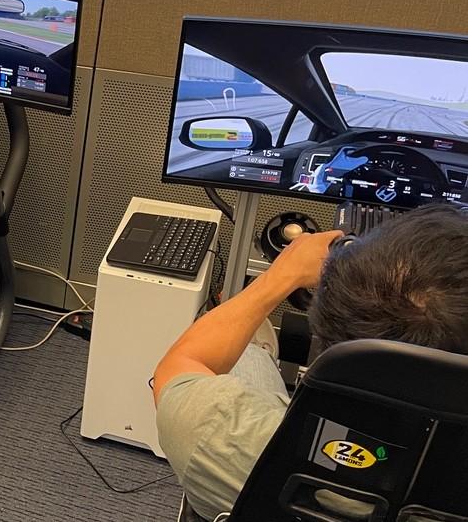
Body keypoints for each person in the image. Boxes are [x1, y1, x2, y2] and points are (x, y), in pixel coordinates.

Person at [153, 204, 468, 520]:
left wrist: (282, 275)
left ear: (323, 326)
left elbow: (180, 366)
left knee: (248, 355)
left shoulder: (222, 433)